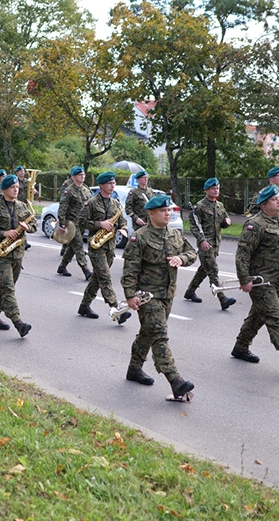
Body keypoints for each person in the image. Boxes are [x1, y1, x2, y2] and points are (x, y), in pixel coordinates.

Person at [121, 194, 197, 400]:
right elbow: (130, 270)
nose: (168, 213)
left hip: (167, 294)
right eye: (163, 211)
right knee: (159, 335)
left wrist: (180, 258)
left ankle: (134, 369)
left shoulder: (174, 234)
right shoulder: (140, 237)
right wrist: (130, 295)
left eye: (169, 210)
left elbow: (192, 253)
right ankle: (176, 381)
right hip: (147, 296)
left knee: (148, 333)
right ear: (151, 213)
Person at [231, 185, 279, 375]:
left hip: (278, 280)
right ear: (264, 204)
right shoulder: (255, 224)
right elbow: (243, 254)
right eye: (275, 199)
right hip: (261, 282)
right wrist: (244, 279)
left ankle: (240, 347)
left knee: (258, 315)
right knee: (275, 318)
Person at [0, 174, 36, 338]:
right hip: (0, 255)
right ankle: (19, 323)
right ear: (4, 189)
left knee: (5, 288)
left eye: (17, 187)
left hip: (17, 254)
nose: (16, 190)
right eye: (13, 187)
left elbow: (34, 225)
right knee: (8, 289)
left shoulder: (22, 206)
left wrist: (27, 227)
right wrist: (3, 233)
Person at [77, 171, 130, 321]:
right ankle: (117, 309)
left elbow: (122, 220)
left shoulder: (115, 203)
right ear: (101, 185)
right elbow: (81, 221)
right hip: (96, 246)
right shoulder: (91, 203)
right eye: (109, 183)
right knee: (105, 278)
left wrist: (123, 229)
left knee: (97, 278)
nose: (113, 185)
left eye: (114, 183)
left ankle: (84, 306)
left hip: (110, 247)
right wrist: (100, 224)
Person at [184, 178, 236, 310]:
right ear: (206, 190)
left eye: (217, 188)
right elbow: (194, 226)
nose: (216, 190)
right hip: (205, 244)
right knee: (213, 270)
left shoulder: (220, 206)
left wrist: (227, 222)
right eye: (213, 188)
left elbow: (223, 222)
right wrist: (202, 241)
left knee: (204, 269)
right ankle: (222, 298)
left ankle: (190, 291)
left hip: (216, 243)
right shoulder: (199, 206)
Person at [249, 166, 279, 298]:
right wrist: (264, 221)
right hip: (268, 231)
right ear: (271, 178)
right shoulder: (263, 194)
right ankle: (264, 281)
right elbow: (252, 211)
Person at [57, 165, 93, 280]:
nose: (82, 176)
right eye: (79, 175)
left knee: (72, 247)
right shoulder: (69, 191)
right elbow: (63, 208)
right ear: (73, 177)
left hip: (83, 223)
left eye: (83, 174)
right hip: (72, 223)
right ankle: (86, 271)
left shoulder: (86, 190)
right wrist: (62, 224)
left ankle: (62, 266)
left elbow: (90, 206)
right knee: (78, 246)